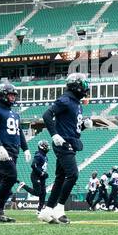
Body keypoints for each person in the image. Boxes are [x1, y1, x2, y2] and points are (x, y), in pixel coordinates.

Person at [39, 74, 89, 225]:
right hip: (63, 142)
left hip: (69, 141)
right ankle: (59, 209)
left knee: (60, 178)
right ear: (76, 86)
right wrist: (54, 135)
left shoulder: (76, 103)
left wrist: (83, 126)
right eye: (83, 85)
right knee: (72, 175)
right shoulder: (66, 100)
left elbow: (72, 128)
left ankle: (47, 211)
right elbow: (47, 115)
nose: (86, 88)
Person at [0, 82, 29, 223]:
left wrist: (26, 148)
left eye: (13, 95)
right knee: (11, 176)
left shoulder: (14, 114)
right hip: (2, 149)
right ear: (2, 95)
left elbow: (19, 132)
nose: (13, 97)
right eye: (10, 95)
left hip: (13, 149)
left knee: (2, 179)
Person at [22, 141, 50, 212]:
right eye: (45, 146)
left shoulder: (45, 156)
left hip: (41, 176)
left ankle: (40, 209)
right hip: (36, 176)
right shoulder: (39, 155)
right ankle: (23, 185)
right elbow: (33, 165)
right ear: (41, 147)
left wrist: (44, 173)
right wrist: (41, 173)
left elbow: (42, 167)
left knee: (43, 193)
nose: (47, 147)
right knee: (37, 193)